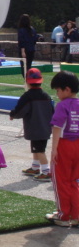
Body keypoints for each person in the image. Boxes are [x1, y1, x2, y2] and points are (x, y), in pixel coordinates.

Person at [45, 71, 79, 227]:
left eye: (58, 90)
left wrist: (54, 149)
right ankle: (76, 214)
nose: (57, 94)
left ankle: (63, 215)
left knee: (61, 181)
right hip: (77, 144)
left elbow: (57, 127)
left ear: (67, 89)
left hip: (64, 145)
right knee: (74, 181)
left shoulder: (62, 105)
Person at [9, 68, 54, 182]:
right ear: (41, 81)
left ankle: (46, 172)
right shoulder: (46, 96)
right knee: (36, 148)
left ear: (27, 81)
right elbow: (52, 111)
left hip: (35, 128)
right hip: (45, 127)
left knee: (40, 150)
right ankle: (35, 167)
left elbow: (20, 110)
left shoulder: (27, 96)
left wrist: (13, 114)